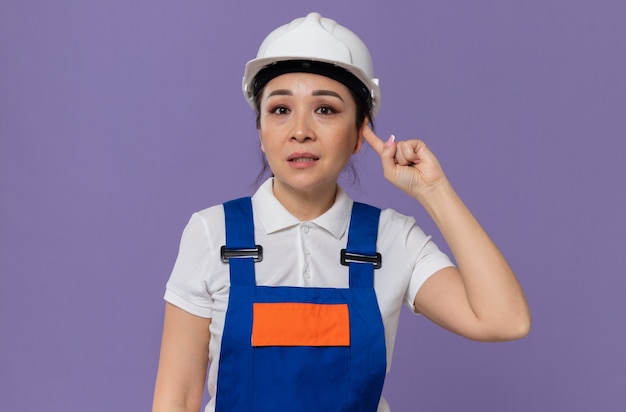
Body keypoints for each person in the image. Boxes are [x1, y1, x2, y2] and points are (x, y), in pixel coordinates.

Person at [152, 12, 531, 412]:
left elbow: (504, 320)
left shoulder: (392, 238)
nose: (301, 130)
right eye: (280, 110)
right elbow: (177, 397)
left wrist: (434, 191)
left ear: (358, 135)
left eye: (326, 110)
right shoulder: (214, 234)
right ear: (261, 133)